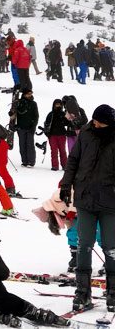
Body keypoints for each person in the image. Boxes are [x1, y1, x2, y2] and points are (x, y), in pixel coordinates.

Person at [60, 104, 115, 311]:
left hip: (110, 201)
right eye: (94, 120)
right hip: (85, 198)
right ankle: (82, 292)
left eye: (100, 122)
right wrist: (66, 185)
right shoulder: (86, 132)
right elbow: (73, 159)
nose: (95, 124)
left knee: (111, 247)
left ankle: (113, 292)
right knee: (84, 245)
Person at [9, 88, 39, 168]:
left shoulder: (33, 104)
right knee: (22, 144)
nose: (29, 95)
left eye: (30, 94)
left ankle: (31, 161)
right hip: (20, 127)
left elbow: (36, 116)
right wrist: (11, 113)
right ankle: (24, 161)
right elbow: (12, 113)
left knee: (30, 145)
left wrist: (33, 126)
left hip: (30, 127)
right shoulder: (18, 103)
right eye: (28, 94)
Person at [45, 99, 70, 171]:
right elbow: (47, 124)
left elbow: (67, 123)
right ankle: (55, 166)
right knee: (54, 151)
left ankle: (65, 165)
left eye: (59, 104)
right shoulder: (51, 114)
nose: (58, 105)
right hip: (52, 135)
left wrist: (67, 116)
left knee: (63, 151)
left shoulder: (63, 114)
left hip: (62, 134)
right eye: (57, 104)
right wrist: (47, 132)